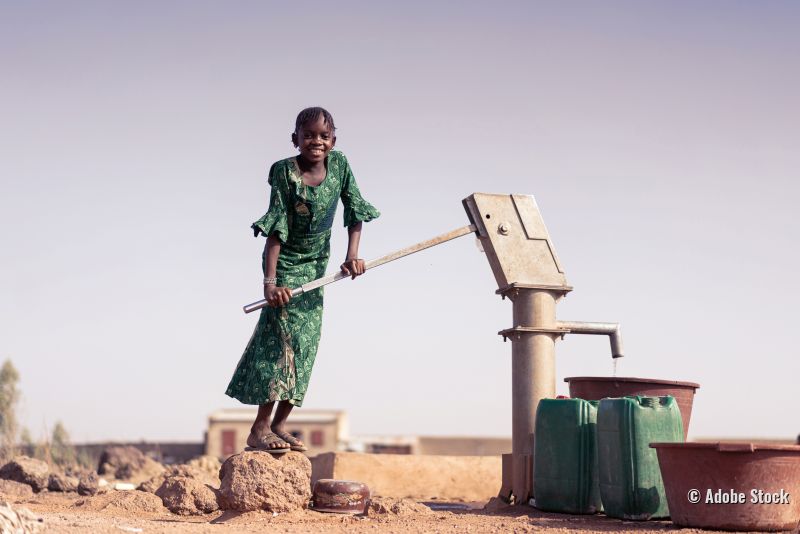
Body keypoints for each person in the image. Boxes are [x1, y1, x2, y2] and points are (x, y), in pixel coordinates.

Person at [225, 107, 380, 453]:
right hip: (286, 267)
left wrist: (352, 256)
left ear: (333, 141)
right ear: (295, 139)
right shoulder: (284, 173)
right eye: (308, 135)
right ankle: (259, 428)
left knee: (306, 347)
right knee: (280, 346)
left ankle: (280, 424)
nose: (316, 141)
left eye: (324, 136)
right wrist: (270, 283)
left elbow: (355, 211)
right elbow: (276, 229)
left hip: (317, 270)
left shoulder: (339, 165)